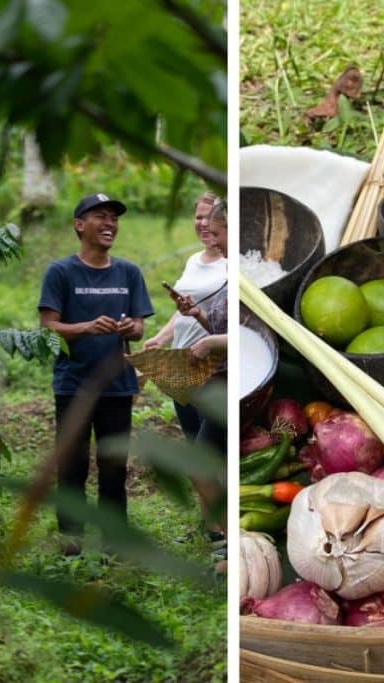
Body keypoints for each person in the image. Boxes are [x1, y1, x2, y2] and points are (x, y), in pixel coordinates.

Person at [38, 192, 154, 554]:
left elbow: (139, 326)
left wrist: (129, 330)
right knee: (72, 467)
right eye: (101, 217)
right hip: (74, 385)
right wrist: (87, 327)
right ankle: (71, 543)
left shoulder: (129, 273)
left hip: (117, 386)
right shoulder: (61, 272)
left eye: (114, 219)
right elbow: (48, 327)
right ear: (79, 225)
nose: (109, 224)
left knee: (113, 469)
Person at [171, 199, 228, 571]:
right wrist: (199, 317)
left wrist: (211, 343)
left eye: (219, 230)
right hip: (207, 372)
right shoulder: (203, 261)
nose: (214, 237)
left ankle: (223, 536)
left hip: (224, 378)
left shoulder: (233, 269)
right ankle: (213, 531)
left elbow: (245, 336)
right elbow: (222, 328)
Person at [143, 191, 227, 441]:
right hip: (182, 363)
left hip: (209, 367)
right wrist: (162, 337)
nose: (202, 224)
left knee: (210, 448)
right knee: (193, 441)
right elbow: (186, 310)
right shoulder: (194, 260)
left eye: (208, 219)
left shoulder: (230, 262)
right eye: (198, 217)